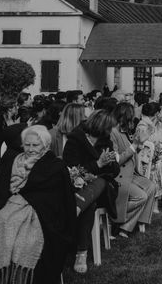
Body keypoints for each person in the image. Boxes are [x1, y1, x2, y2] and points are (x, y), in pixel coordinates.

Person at [0, 125, 76, 284]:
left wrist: (23, 203)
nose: (30, 149)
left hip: (43, 218)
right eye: (27, 144)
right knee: (0, 227)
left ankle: (18, 278)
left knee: (25, 242)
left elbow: (55, 201)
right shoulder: (13, 160)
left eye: (35, 145)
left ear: (45, 145)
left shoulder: (54, 166)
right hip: (7, 209)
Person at [62, 110, 120, 273]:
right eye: (108, 128)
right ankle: (82, 252)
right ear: (100, 127)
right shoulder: (76, 139)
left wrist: (108, 163)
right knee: (90, 204)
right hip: (77, 185)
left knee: (100, 181)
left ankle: (75, 210)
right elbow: (71, 167)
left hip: (103, 188)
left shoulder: (105, 141)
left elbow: (114, 171)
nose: (110, 132)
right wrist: (97, 165)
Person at [110, 102, 157, 237]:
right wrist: (135, 145)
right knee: (141, 197)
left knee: (151, 187)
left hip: (131, 172)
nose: (133, 121)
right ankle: (116, 220)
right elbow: (117, 161)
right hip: (119, 176)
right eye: (131, 118)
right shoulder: (113, 133)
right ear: (124, 118)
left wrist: (139, 144)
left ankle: (132, 223)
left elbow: (131, 151)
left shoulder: (124, 131)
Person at [136, 102, 162, 212]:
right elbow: (145, 144)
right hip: (147, 159)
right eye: (160, 112)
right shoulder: (143, 125)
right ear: (156, 113)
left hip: (159, 155)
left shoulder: (159, 124)